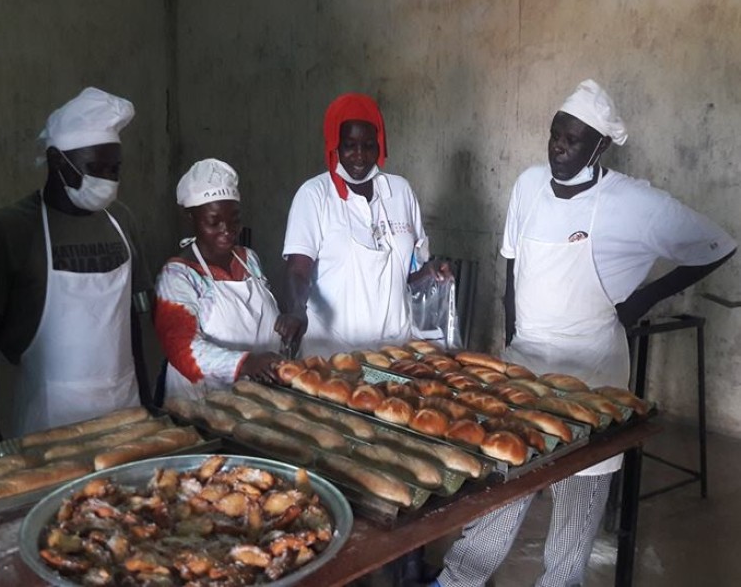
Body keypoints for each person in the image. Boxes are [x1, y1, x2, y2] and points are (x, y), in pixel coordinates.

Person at [436, 79, 736, 587]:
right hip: (525, 368)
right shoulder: (528, 184)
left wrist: (642, 300)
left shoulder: (629, 201)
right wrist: (514, 338)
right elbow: (511, 263)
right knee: (503, 487)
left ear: (599, 146)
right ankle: (458, 580)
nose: (558, 146)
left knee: (578, 498)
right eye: (555, 134)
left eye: (572, 139)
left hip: (593, 376)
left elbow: (716, 244)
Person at [0, 87, 153, 444]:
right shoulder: (8, 230)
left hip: (125, 406)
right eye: (96, 168)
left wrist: (147, 401)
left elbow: (130, 323)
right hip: (50, 414)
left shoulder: (122, 221)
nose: (108, 180)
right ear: (56, 160)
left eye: (115, 169)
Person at [275, 92, 450, 358]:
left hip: (395, 353)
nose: (360, 156)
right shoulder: (314, 196)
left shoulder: (400, 192)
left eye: (369, 145)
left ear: (380, 144)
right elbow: (298, 270)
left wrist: (430, 270)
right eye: (349, 145)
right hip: (333, 356)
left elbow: (407, 272)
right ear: (335, 144)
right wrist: (296, 310)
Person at [153, 158, 281, 401]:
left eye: (234, 220)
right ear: (190, 218)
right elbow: (181, 348)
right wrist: (245, 364)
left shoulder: (249, 259)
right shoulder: (177, 276)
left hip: (259, 398)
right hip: (202, 404)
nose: (227, 230)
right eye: (214, 222)